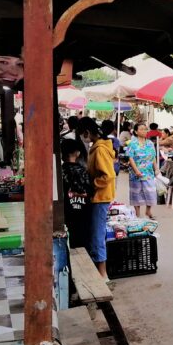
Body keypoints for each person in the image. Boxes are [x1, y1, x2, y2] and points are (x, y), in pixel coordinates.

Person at [79, 117, 115, 279]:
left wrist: (91, 185)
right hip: (99, 196)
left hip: (100, 197)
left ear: (87, 132)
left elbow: (108, 175)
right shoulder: (97, 147)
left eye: (82, 134)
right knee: (96, 233)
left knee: (97, 235)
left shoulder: (99, 149)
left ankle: (102, 274)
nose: (82, 138)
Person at [60, 138, 92, 250]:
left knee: (70, 239)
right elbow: (90, 189)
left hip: (66, 212)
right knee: (83, 240)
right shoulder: (84, 171)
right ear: (77, 153)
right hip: (84, 212)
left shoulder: (60, 171)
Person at [126, 121, 159, 219]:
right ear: (136, 132)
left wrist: (156, 168)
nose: (144, 131)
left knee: (151, 192)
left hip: (148, 172)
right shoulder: (132, 144)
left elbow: (153, 157)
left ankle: (148, 211)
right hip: (135, 173)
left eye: (145, 129)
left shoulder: (150, 143)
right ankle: (137, 213)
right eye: (141, 129)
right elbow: (130, 158)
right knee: (136, 193)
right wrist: (136, 171)